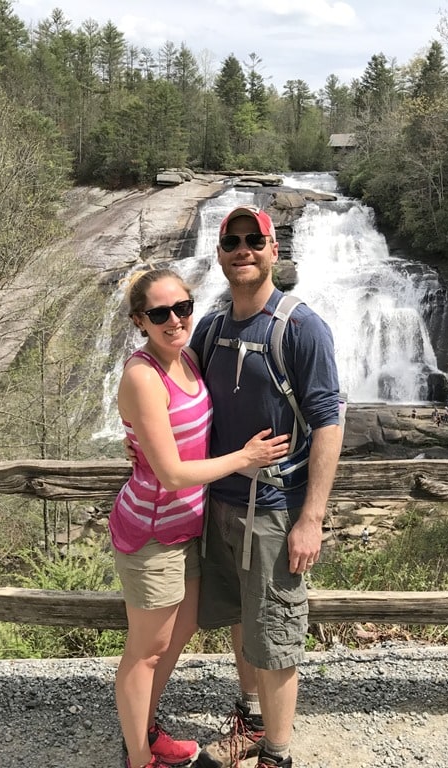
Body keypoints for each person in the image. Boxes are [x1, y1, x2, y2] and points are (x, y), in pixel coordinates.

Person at [111, 268, 291, 768]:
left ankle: (145, 728)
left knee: (180, 630)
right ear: (139, 321)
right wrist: (245, 458)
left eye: (182, 308)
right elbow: (170, 474)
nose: (174, 320)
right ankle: (139, 758)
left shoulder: (189, 357)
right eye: (160, 313)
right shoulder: (142, 375)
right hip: (151, 531)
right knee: (146, 649)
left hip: (189, 524)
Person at [190, 206, 344, 768]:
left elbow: (329, 422)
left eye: (254, 240)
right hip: (220, 502)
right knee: (241, 617)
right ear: (220, 254)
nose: (243, 250)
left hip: (276, 509)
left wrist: (311, 519)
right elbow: (177, 395)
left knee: (275, 634)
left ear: (274, 250)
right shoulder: (210, 328)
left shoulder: (302, 328)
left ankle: (276, 755)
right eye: (232, 241)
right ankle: (251, 722)